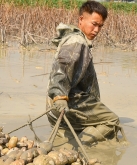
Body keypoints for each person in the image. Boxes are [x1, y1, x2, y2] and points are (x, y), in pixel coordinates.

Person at [46, 0, 120, 145]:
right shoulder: (77, 41)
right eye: (94, 24)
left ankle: (65, 143)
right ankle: (81, 144)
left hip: (54, 107)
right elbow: (63, 66)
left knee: (63, 138)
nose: (97, 30)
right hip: (67, 103)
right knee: (112, 120)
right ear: (81, 19)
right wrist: (60, 96)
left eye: (100, 26)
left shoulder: (72, 39)